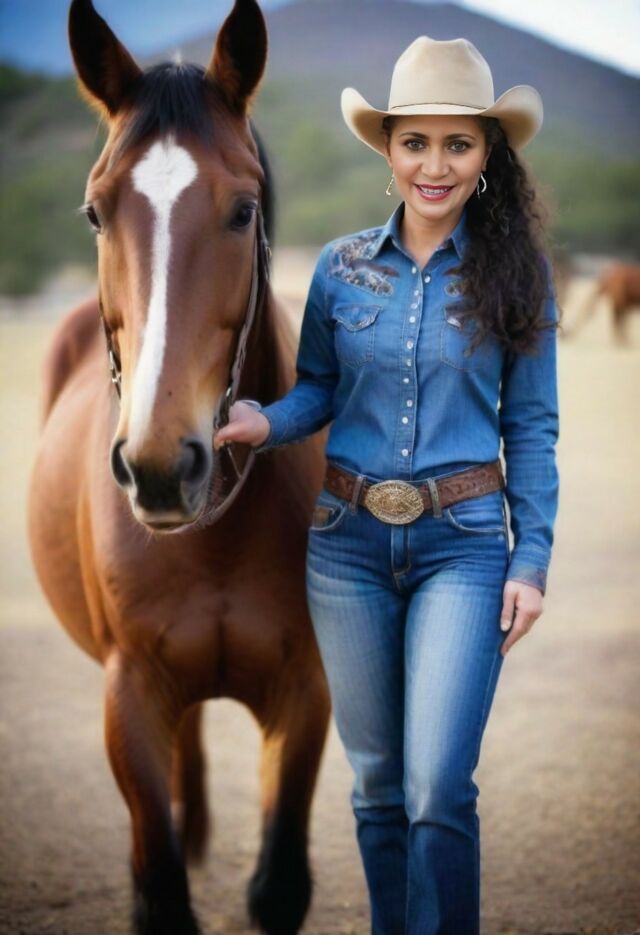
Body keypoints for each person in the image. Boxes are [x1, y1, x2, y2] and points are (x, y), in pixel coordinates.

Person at [213, 35, 559, 935]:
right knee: (376, 785)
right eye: (416, 143)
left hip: (464, 549)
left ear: (487, 153)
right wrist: (264, 421)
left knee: (437, 784)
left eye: (458, 144)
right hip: (347, 548)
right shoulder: (339, 269)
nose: (434, 166)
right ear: (389, 149)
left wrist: (531, 561)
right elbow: (320, 392)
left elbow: (531, 427)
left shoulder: (516, 272)